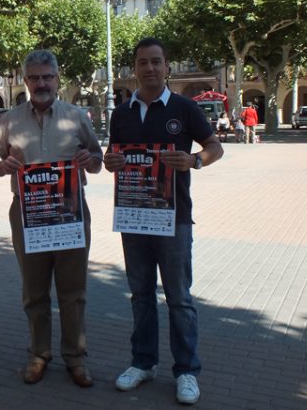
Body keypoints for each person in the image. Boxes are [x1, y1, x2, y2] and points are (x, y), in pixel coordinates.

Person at [103, 38, 223, 405]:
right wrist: (111, 163)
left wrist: (196, 161)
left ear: (167, 67)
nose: (150, 68)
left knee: (179, 298)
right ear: (134, 68)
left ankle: (186, 371)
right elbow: (112, 156)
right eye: (143, 62)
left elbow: (215, 147)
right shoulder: (121, 113)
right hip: (135, 216)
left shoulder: (185, 108)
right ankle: (143, 363)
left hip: (175, 219)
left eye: (157, 62)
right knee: (140, 296)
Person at [0, 50, 103, 388]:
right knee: (34, 292)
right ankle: (39, 354)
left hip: (70, 214)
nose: (41, 83)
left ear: (57, 80)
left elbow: (97, 159)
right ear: (25, 81)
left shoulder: (76, 115)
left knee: (74, 292)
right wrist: (2, 165)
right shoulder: (9, 119)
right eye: (35, 77)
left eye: (47, 77)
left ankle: (76, 358)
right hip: (27, 214)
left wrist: (89, 159)